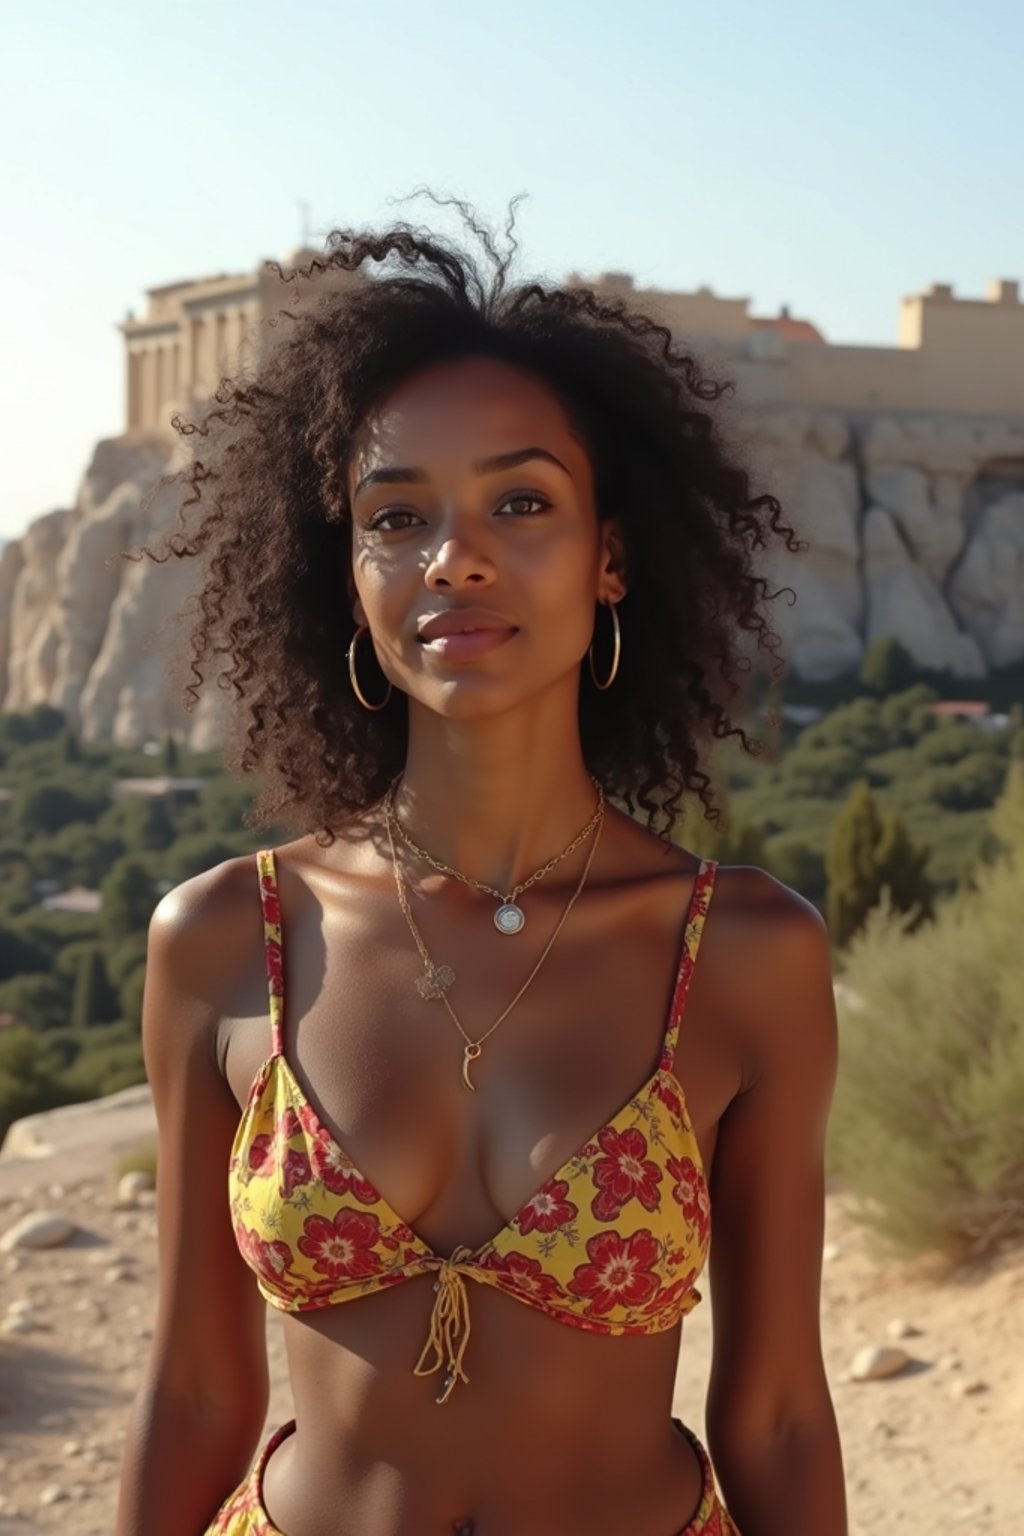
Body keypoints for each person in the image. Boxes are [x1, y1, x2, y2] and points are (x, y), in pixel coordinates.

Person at [115, 197, 847, 1536]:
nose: (455, 556)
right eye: (397, 517)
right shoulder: (223, 939)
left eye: (522, 500)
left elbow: (781, 1409)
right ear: (348, 577)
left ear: (611, 556)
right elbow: (192, 1395)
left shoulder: (744, 955)